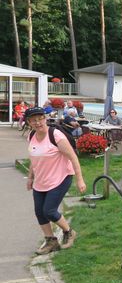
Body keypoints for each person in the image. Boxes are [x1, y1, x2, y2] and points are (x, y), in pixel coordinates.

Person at [25, 107, 86, 254]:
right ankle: (51, 241)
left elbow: (73, 157)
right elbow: (34, 158)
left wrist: (80, 180)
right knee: (40, 212)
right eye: (34, 120)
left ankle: (69, 232)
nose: (38, 122)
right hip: (41, 180)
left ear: (45, 119)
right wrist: (31, 177)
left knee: (49, 211)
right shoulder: (31, 135)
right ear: (29, 122)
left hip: (61, 178)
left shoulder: (56, 135)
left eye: (40, 119)